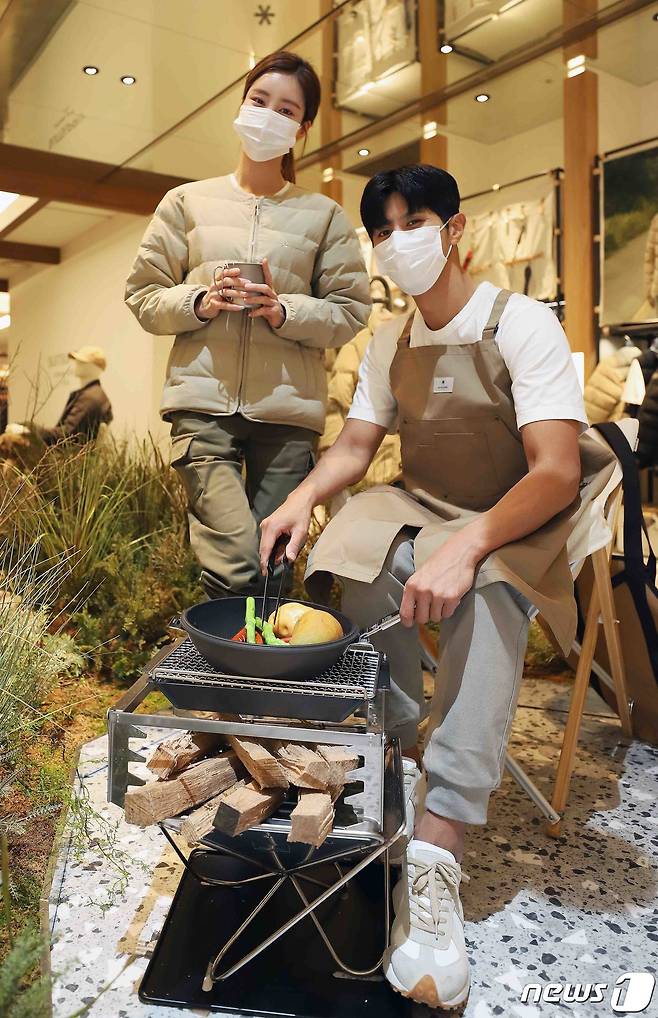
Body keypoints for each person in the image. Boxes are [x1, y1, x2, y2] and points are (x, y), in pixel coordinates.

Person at [259, 165, 618, 1009]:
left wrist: (469, 547)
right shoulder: (391, 340)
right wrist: (302, 499)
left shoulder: (520, 322)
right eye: (382, 230)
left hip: (517, 511)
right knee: (350, 554)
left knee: (488, 587)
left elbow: (556, 471)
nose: (398, 241)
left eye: (414, 221)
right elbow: (357, 448)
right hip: (424, 503)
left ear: (455, 230)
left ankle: (438, 843)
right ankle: (392, 756)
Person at [125, 50, 370, 598]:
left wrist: (285, 310)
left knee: (275, 564)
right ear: (240, 107)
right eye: (259, 101)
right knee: (236, 560)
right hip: (202, 405)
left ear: (302, 129)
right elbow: (143, 295)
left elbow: (351, 310)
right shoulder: (185, 203)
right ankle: (237, 649)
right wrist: (200, 302)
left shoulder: (324, 215)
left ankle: (262, 652)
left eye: (286, 110)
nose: (268, 116)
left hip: (288, 411)